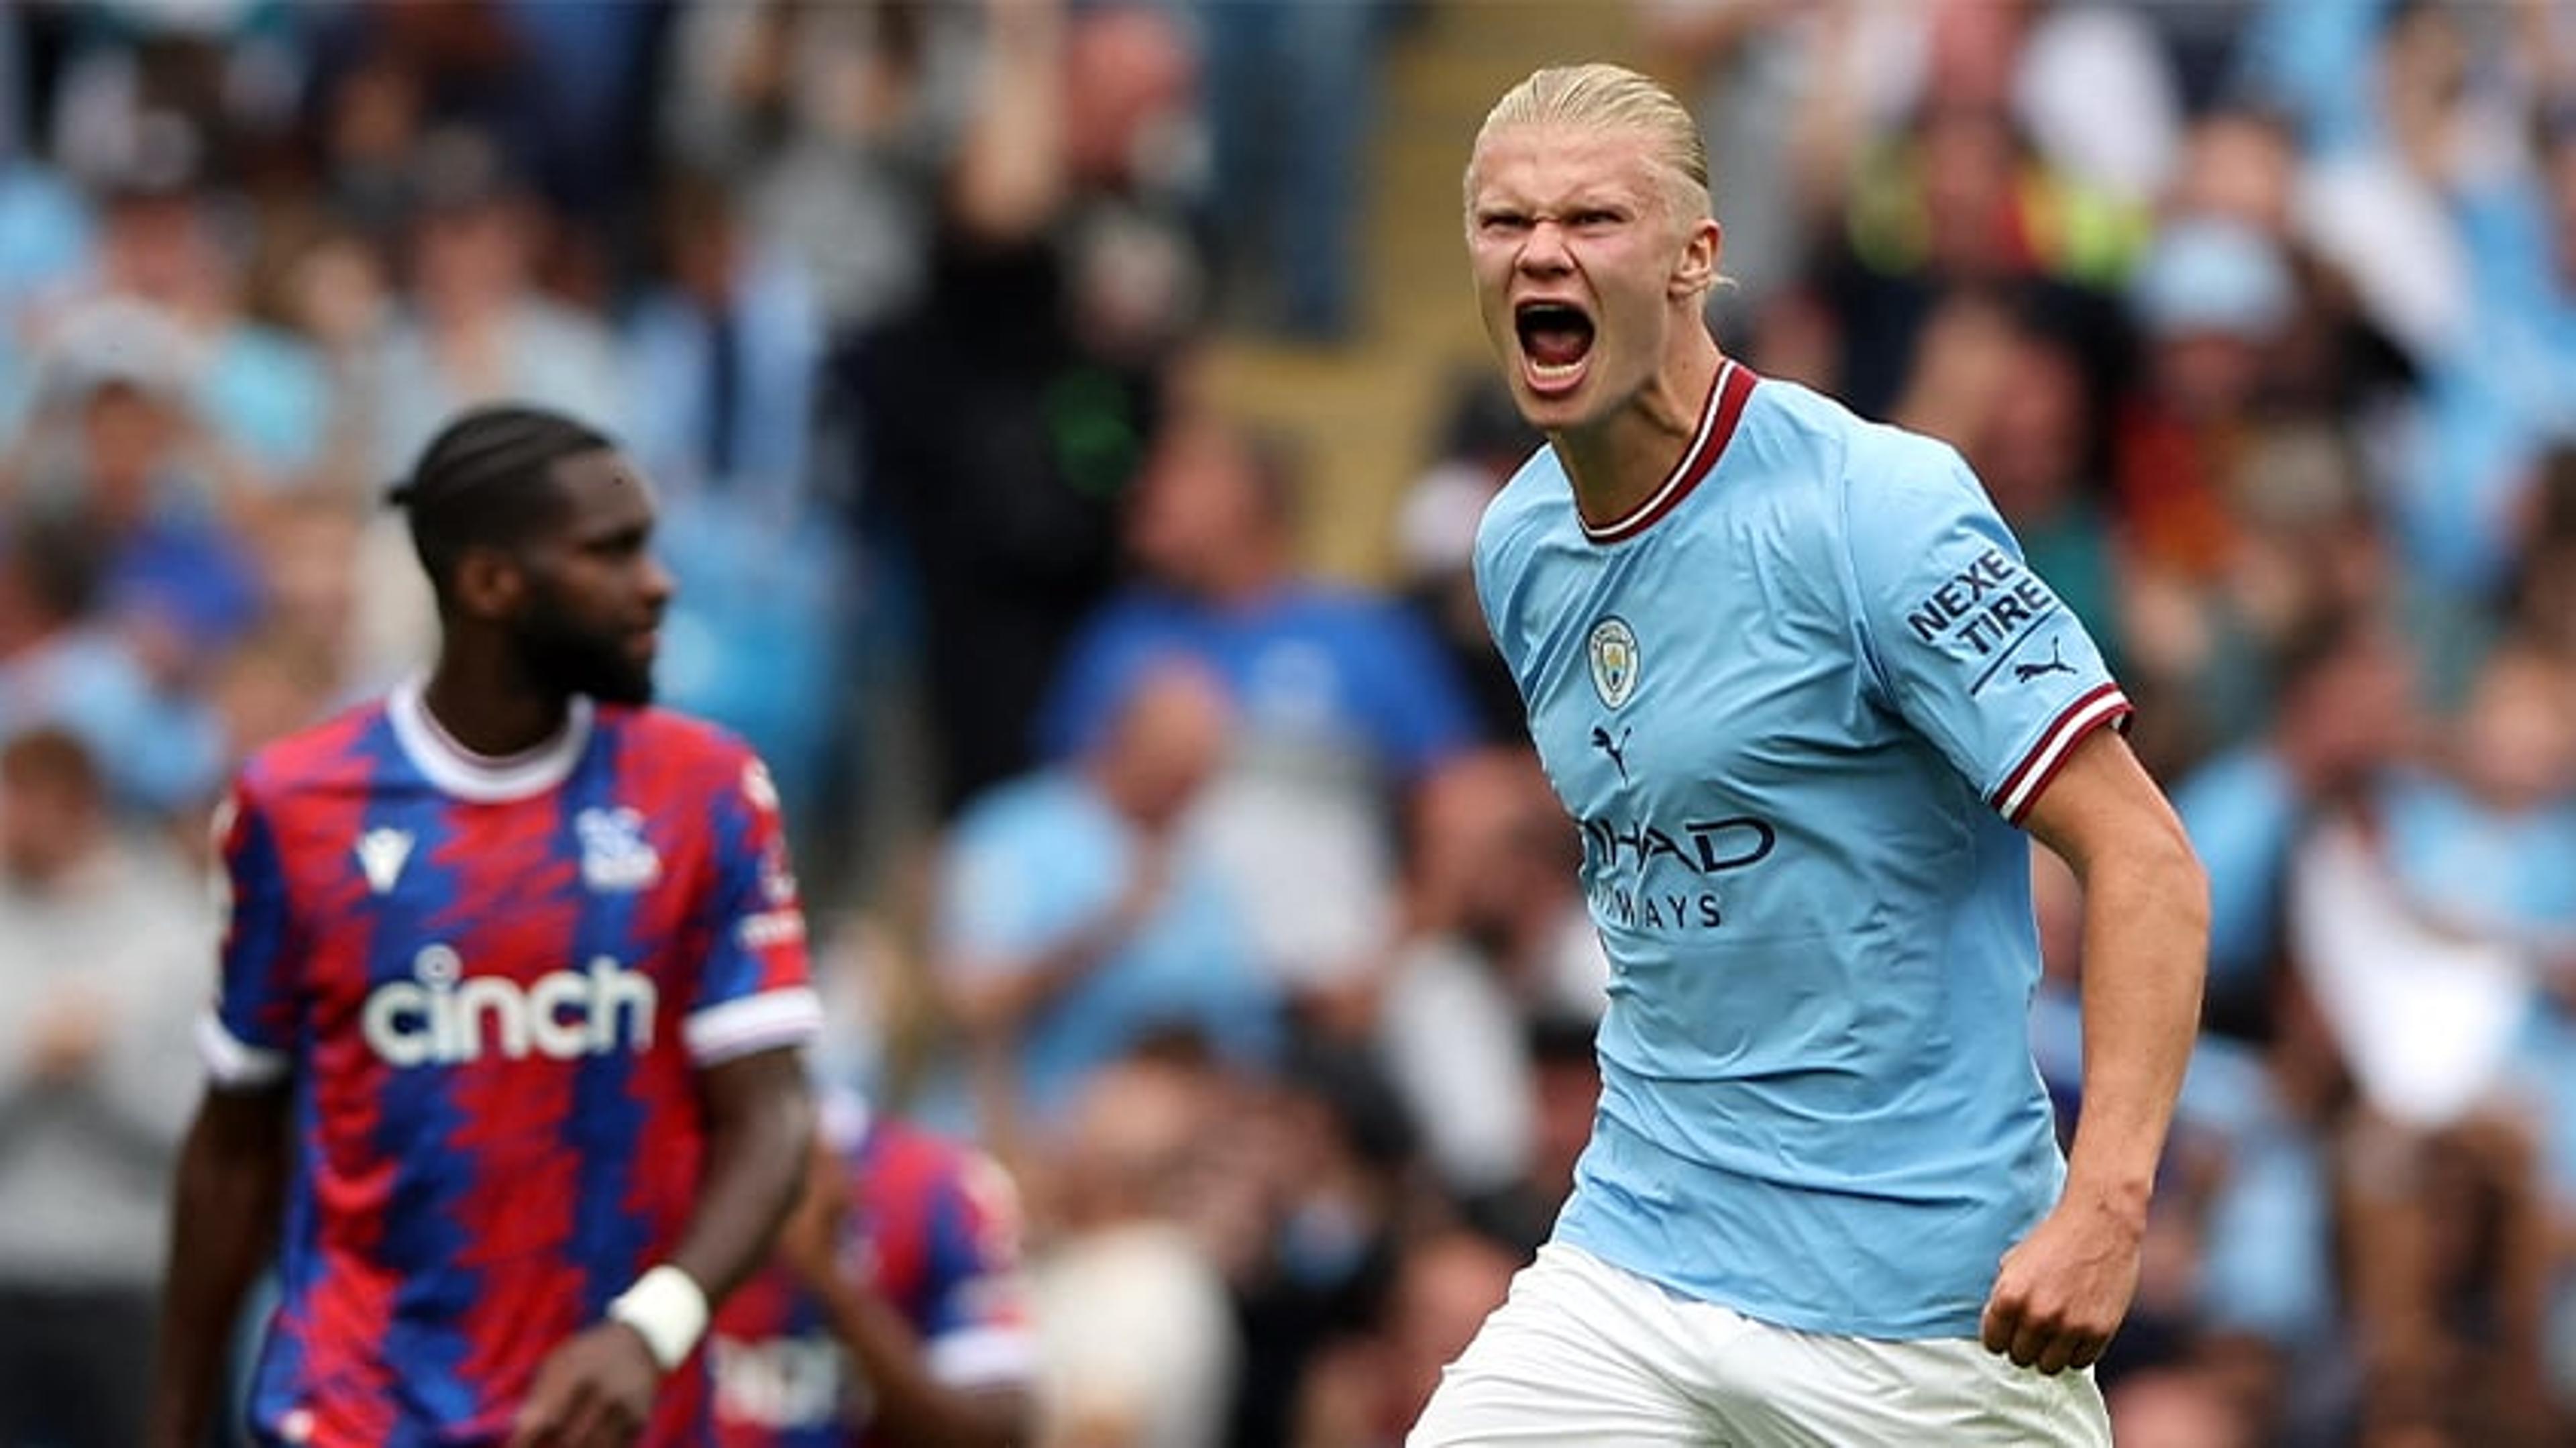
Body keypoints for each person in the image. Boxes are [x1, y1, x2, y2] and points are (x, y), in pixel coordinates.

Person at [1411, 64, 2209, 1445]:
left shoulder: (1876, 511)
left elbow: (2143, 856)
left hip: (1912, 1309)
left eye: (1595, 218)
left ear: (1696, 260)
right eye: (1506, 222)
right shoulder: (1518, 547)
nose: (1542, 250)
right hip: (1637, 1261)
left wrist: (2105, 1200)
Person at [145, 405, 822, 1447]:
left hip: (605, 1413)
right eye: (613, 551)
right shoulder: (298, 807)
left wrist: (652, 1327)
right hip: (358, 1407)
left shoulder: (708, 793)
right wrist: (175, 1424)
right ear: (491, 584)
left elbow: (771, 1114)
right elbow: (233, 1143)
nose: (660, 581)